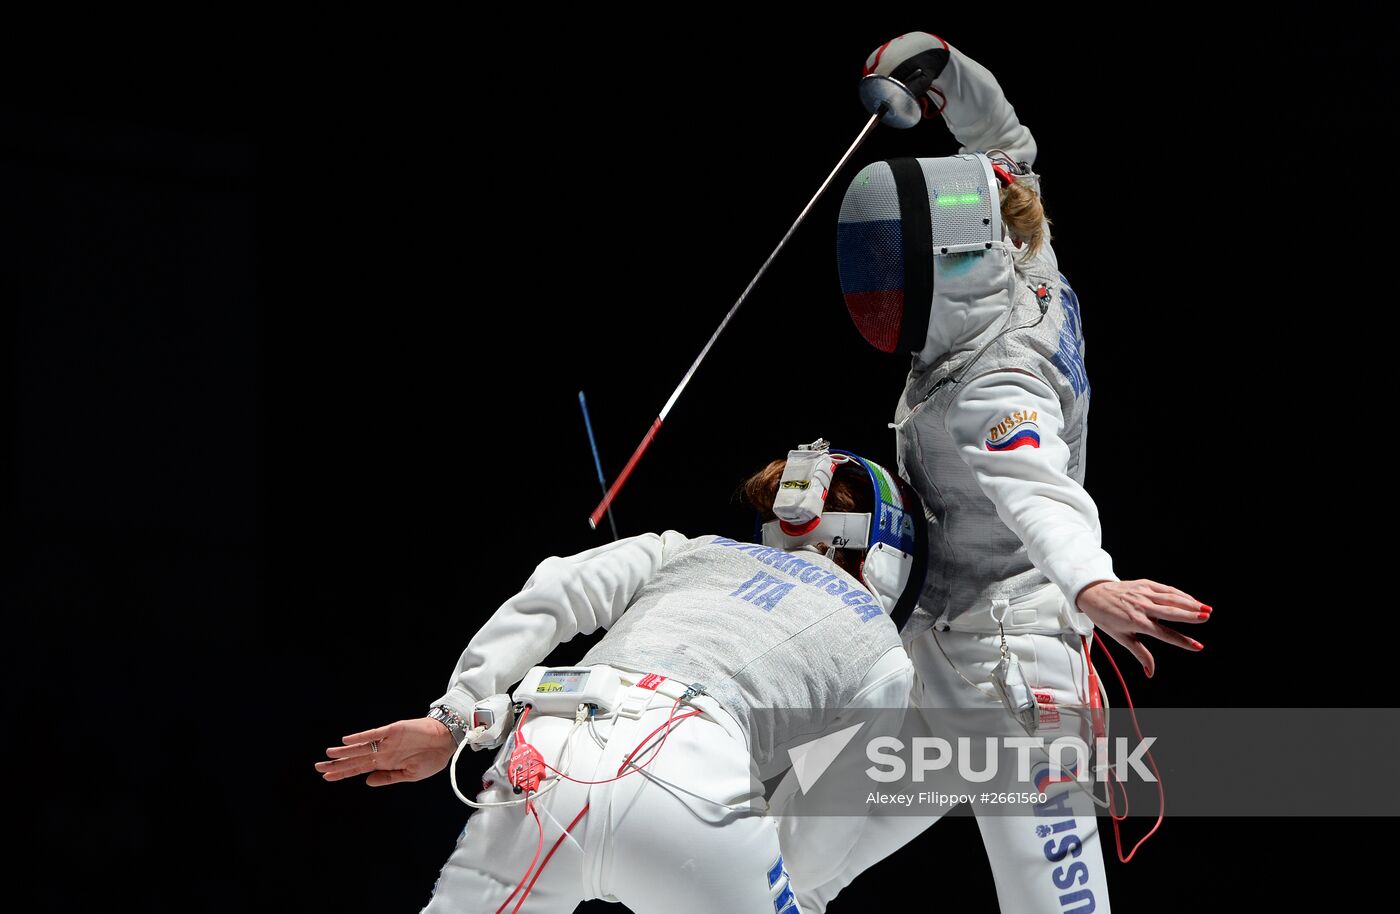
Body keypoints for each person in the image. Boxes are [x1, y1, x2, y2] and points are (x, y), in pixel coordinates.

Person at [782, 33, 1213, 914]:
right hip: (926, 653)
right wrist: (936, 69)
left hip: (1012, 680)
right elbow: (1005, 145)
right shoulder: (1023, 252)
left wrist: (1092, 584)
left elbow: (1037, 485)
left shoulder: (997, 383)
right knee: (785, 857)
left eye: (886, 271)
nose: (873, 287)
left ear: (939, 267)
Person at [315, 442, 925, 914]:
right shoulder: (882, 654)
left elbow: (554, 590)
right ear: (888, 552)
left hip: (545, 754)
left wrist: (456, 715)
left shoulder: (690, 550)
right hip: (694, 780)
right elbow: (814, 848)